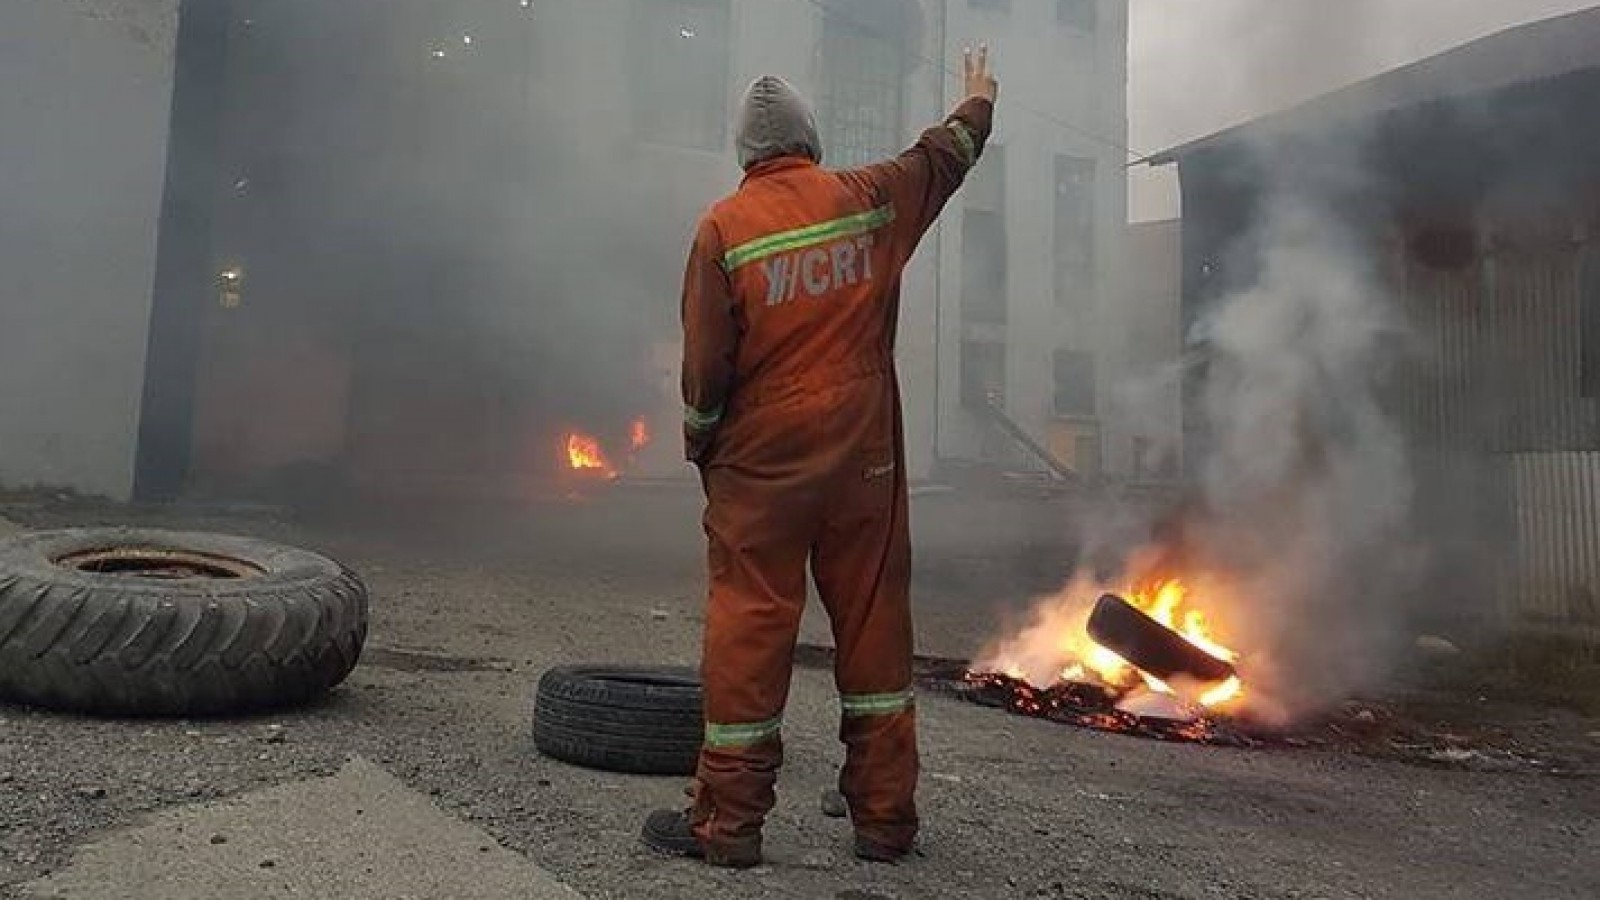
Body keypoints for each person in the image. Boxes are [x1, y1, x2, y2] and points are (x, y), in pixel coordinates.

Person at [643, 47, 999, 869]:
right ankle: (884, 819)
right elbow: (942, 158)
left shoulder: (721, 231)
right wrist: (978, 101)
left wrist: (704, 443)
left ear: (744, 155)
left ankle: (727, 825)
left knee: (749, 629)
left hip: (759, 473)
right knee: (874, 628)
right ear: (811, 141)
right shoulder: (866, 200)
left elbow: (704, 369)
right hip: (862, 465)